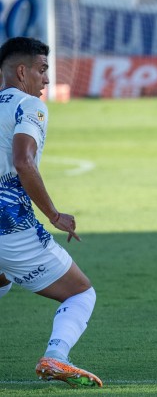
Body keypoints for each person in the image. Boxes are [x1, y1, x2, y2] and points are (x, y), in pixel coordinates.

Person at [0, 37, 102, 387]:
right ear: (22, 71)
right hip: (9, 226)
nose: (46, 80)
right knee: (81, 293)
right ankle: (56, 357)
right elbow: (23, 161)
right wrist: (54, 215)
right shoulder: (30, 106)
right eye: (42, 70)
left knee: (1, 279)